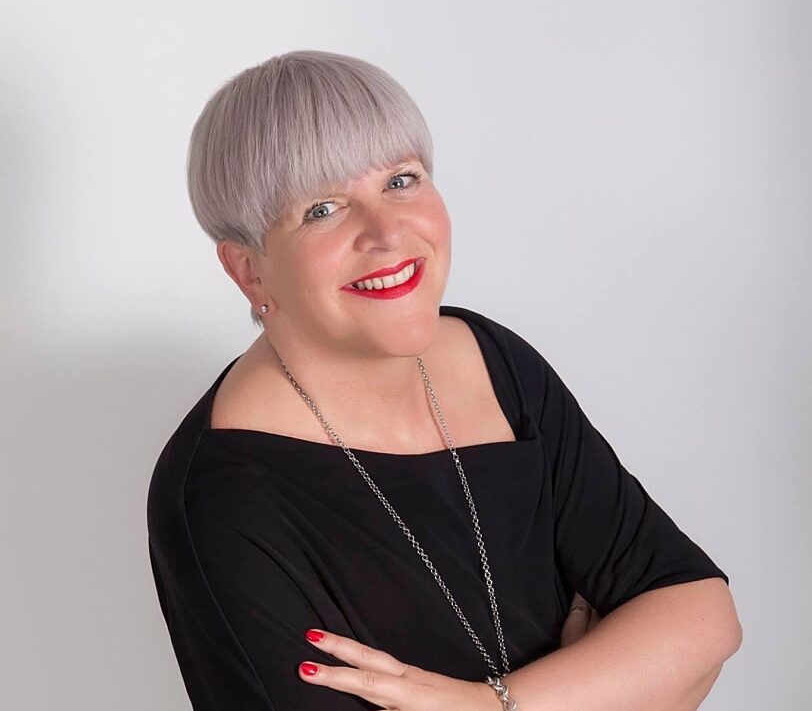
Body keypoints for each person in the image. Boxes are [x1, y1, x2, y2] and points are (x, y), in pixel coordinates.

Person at [146, 49, 732, 710]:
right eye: (322, 208)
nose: (388, 232)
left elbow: (703, 616)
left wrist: (487, 705)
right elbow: (676, 661)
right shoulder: (221, 497)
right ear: (250, 271)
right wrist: (617, 682)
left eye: (401, 180)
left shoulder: (494, 360)